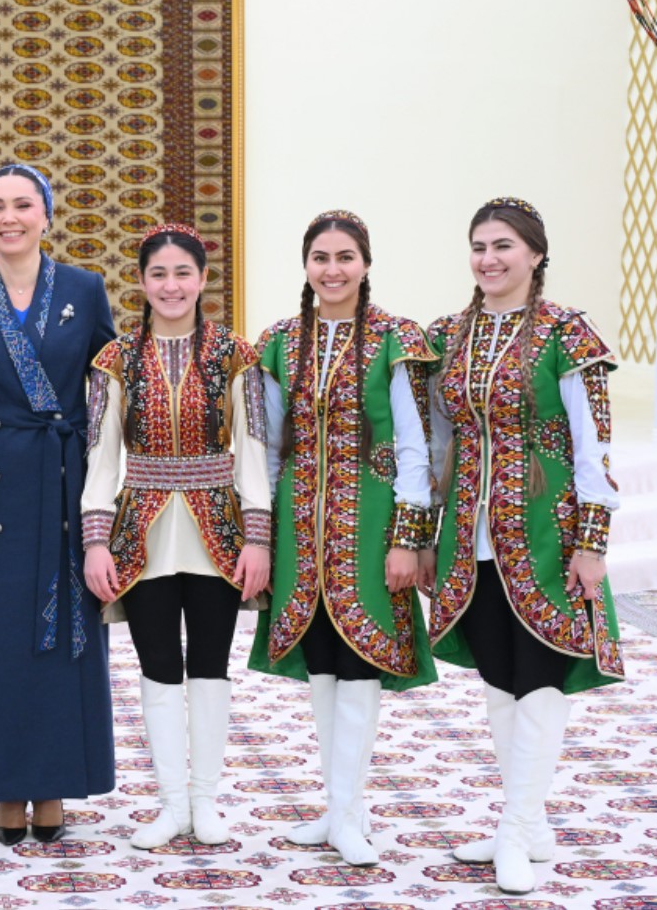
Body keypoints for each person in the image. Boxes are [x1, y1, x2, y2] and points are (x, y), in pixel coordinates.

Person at [421, 197, 623, 895]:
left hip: (544, 534)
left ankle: (514, 830)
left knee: (539, 679)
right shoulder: (448, 336)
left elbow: (594, 447)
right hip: (469, 538)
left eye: (503, 245)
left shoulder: (567, 334)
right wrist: (426, 535)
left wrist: (591, 543)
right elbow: (438, 443)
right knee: (500, 679)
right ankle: (527, 823)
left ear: (535, 254)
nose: (489, 259)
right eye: (479, 246)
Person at [247, 210, 437, 867]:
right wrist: (263, 536)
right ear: (305, 265)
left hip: (372, 527)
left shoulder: (396, 339)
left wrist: (407, 537)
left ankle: (350, 814)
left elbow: (413, 447)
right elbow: (268, 449)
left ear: (365, 263)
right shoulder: (278, 342)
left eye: (345, 257)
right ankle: (336, 808)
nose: (332, 270)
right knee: (322, 668)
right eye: (320, 258)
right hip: (299, 529)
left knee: (359, 672)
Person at [0, 162, 117, 844]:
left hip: (64, 482)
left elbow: (108, 390)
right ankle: (4, 788)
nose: (8, 218)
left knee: (66, 640)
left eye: (21, 205)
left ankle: (55, 785)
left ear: (46, 214)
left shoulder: (83, 288)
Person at [80, 224, 271, 849]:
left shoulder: (237, 355)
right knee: (158, 666)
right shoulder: (114, 359)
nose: (171, 285)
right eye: (158, 274)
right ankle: (170, 804)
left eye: (183, 273)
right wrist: (96, 540)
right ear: (141, 281)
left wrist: (257, 537)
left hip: (218, 531)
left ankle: (206, 800)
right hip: (143, 534)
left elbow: (253, 450)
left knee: (211, 666)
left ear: (203, 278)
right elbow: (101, 456)